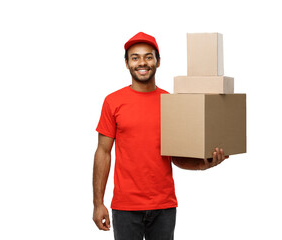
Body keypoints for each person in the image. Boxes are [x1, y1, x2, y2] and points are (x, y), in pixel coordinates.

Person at [92, 32, 228, 240]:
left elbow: (177, 155)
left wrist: (203, 164)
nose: (142, 62)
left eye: (148, 56)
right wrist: (98, 203)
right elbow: (103, 152)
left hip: (163, 206)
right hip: (126, 206)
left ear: (158, 61)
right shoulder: (113, 102)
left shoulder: (171, 102)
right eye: (135, 57)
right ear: (127, 64)